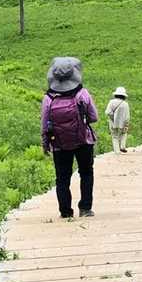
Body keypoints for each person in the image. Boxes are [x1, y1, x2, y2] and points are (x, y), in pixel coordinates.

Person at [41, 56, 98, 220]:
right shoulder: (82, 94)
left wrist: (45, 144)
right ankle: (85, 208)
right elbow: (93, 117)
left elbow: (45, 125)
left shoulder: (48, 99)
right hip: (83, 141)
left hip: (59, 143)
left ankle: (65, 211)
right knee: (86, 173)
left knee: (62, 178)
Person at [105, 86, 131, 153]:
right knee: (124, 133)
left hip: (113, 122)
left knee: (114, 136)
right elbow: (127, 116)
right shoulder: (125, 104)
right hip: (123, 122)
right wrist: (127, 123)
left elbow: (108, 112)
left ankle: (117, 151)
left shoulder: (111, 102)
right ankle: (122, 146)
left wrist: (113, 118)